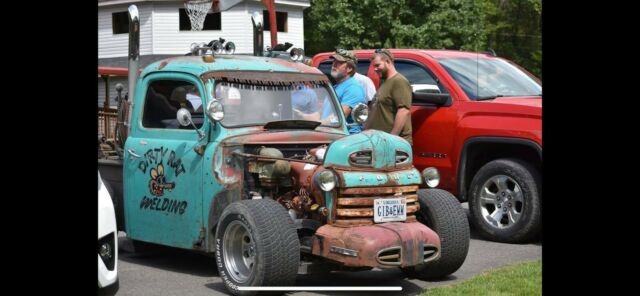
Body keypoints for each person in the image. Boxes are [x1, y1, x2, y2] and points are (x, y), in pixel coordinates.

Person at [364, 49, 413, 144]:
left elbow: (403, 111)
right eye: (374, 66)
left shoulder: (399, 81)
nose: (375, 69)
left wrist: (392, 139)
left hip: (392, 144)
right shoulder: (385, 82)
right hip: (378, 141)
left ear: (388, 62)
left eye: (377, 65)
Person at [329, 49, 367, 134]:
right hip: (332, 135)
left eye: (339, 62)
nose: (334, 64)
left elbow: (338, 118)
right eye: (334, 61)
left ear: (349, 68)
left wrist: (320, 122)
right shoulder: (336, 87)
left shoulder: (353, 88)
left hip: (347, 140)